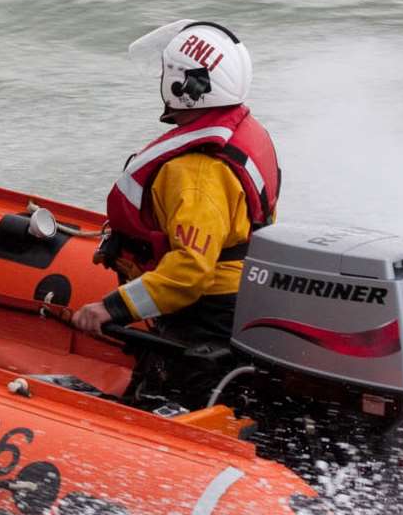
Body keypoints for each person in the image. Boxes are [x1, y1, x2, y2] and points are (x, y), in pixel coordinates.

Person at [72, 20, 281, 354]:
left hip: (208, 315)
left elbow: (190, 271)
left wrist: (112, 309)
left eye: (166, 73)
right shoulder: (242, 132)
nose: (160, 79)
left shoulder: (196, 173)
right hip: (242, 291)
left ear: (186, 86)